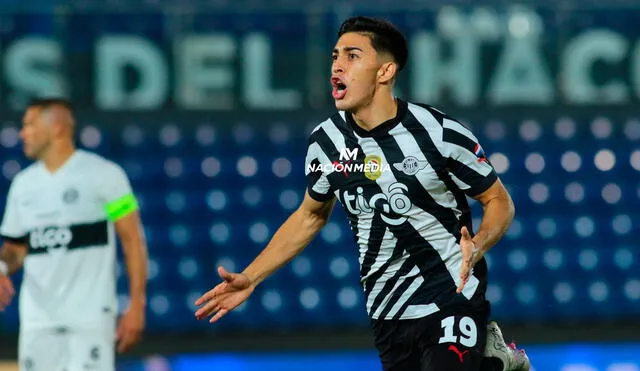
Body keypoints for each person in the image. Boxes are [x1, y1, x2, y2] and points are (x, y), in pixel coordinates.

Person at [194, 16, 530, 371]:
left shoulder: (439, 133)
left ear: (385, 72)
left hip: (450, 295)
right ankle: (493, 363)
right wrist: (252, 276)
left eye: (352, 56)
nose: (337, 66)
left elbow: (499, 201)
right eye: (335, 56)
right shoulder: (326, 143)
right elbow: (310, 215)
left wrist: (478, 243)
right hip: (387, 311)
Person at [0, 98, 148, 371]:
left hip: (89, 318)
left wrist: (137, 303)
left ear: (56, 127)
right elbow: (16, 249)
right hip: (38, 319)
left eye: (29, 125)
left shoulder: (105, 175)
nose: (22, 133)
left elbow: (132, 240)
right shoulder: (23, 185)